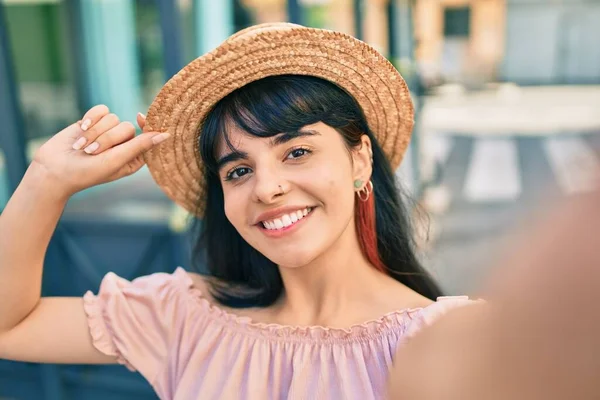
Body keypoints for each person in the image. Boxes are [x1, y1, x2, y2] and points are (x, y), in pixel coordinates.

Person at [0, 23, 477, 399]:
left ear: (359, 159)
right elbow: (10, 328)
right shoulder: (186, 317)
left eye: (296, 152)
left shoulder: (452, 345)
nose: (267, 188)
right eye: (237, 171)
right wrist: (47, 180)